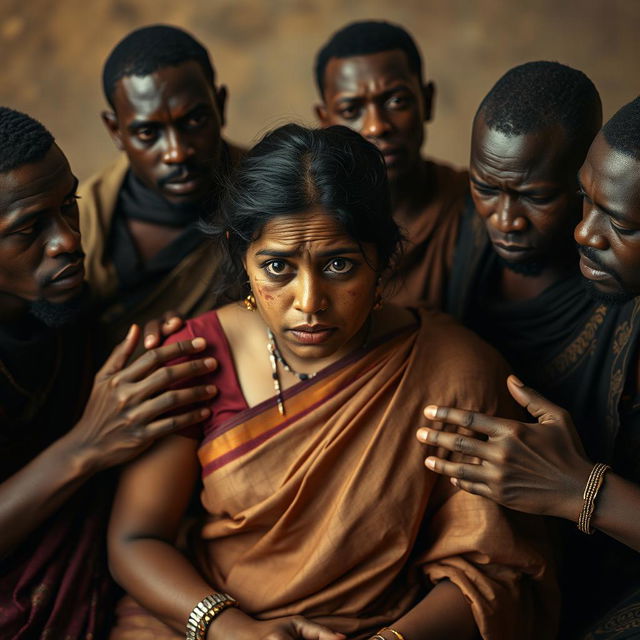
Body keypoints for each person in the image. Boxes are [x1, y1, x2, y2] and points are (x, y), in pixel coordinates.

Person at [107, 124, 556, 640]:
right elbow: (135, 539)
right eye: (277, 266)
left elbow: (490, 570)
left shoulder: (455, 372)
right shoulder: (195, 359)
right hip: (200, 622)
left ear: (384, 260)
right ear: (241, 258)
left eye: (339, 265)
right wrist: (237, 632)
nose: (309, 302)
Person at [418, 98, 640, 638]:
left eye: (620, 222)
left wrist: (581, 488)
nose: (584, 233)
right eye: (585, 201)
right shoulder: (469, 238)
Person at [0, 106, 217, 639]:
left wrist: (148, 366)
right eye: (29, 228)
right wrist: (85, 447)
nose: (69, 240)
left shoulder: (66, 312)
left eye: (69, 205)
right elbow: (97, 434)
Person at [78, 24, 243, 352]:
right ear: (115, 131)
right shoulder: (81, 218)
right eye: (148, 133)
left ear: (220, 105)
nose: (177, 152)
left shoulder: (271, 195)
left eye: (194, 121)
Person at [445, 61, 603, 390]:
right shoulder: (456, 229)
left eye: (536, 197)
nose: (505, 220)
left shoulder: (620, 297)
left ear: (585, 182)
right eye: (486, 190)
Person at [314, 20, 468, 308]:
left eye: (397, 101)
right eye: (351, 110)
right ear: (325, 120)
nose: (377, 126)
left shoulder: (472, 204)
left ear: (427, 100)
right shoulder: (308, 217)